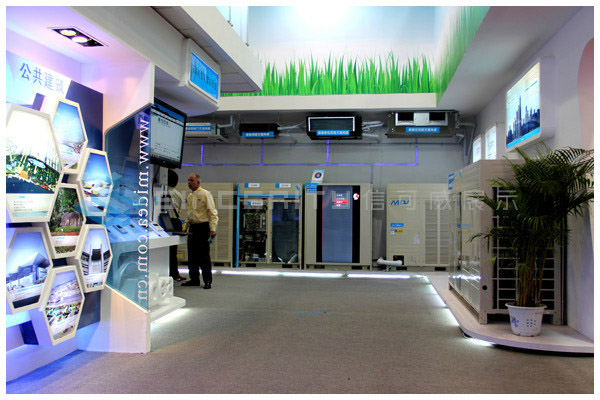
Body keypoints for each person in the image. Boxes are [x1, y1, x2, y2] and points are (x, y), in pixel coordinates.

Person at [182, 173, 218, 289]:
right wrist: (185, 227)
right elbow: (189, 214)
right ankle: (194, 279)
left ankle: (207, 281)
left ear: (198, 182)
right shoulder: (189, 196)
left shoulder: (205, 194)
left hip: (203, 227)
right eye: (188, 180)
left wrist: (213, 229)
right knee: (192, 255)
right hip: (193, 227)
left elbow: (212, 212)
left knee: (203, 256)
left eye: (192, 180)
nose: (189, 182)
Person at [166, 169, 186, 282]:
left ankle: (168, 272)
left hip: (165, 222)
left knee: (165, 250)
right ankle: (174, 273)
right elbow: (180, 210)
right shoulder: (178, 194)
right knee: (173, 251)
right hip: (176, 222)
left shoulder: (162, 192)